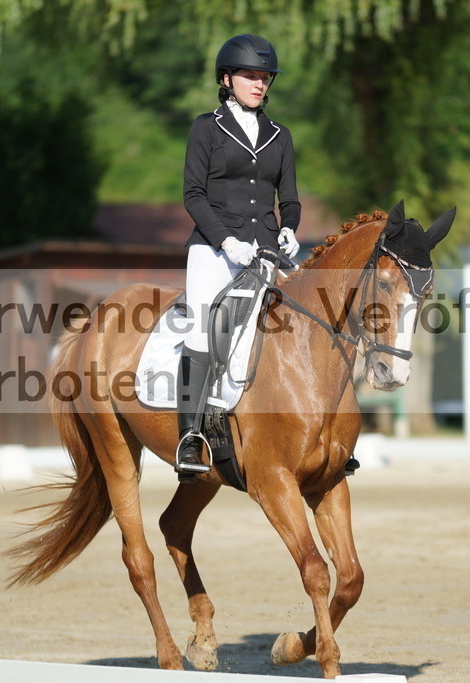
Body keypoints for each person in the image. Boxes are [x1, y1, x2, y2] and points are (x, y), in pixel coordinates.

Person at [176, 33, 302, 474]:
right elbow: (193, 195)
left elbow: (290, 200)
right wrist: (225, 241)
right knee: (200, 327)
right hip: (215, 249)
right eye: (250, 75)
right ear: (226, 78)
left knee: (308, 321)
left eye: (264, 77)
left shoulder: (279, 136)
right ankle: (190, 436)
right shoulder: (206, 127)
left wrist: (288, 229)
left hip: (266, 250)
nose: (259, 83)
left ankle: (321, 431)